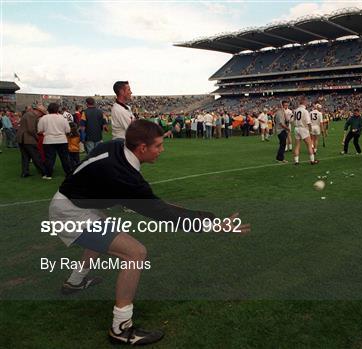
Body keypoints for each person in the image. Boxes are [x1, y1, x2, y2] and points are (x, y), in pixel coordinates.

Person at [48, 119, 250, 345]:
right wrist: (212, 224)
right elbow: (163, 212)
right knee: (135, 253)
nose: (162, 150)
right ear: (142, 148)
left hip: (77, 203)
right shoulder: (125, 179)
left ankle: (75, 282)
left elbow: (104, 174)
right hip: (70, 212)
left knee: (106, 235)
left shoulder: (115, 146)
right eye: (158, 146)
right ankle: (121, 327)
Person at [38, 103, 72, 179]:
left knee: (49, 159)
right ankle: (68, 173)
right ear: (57, 109)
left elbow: (40, 130)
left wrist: (46, 132)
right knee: (65, 158)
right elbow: (68, 130)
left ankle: (48, 174)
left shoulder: (44, 118)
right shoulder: (62, 118)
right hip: (62, 140)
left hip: (49, 140)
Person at [15, 105, 47, 178]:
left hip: (22, 139)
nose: (41, 115)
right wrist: (37, 138)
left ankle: (25, 172)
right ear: (39, 111)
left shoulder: (28, 114)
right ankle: (44, 172)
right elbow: (31, 129)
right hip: (28, 139)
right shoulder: (32, 115)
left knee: (25, 157)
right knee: (36, 156)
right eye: (42, 114)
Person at [292, 96, 318, 165]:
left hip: (296, 128)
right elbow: (308, 122)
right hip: (303, 128)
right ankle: (312, 160)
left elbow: (293, 120)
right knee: (309, 145)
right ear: (304, 102)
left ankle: (296, 161)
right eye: (306, 102)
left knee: (297, 145)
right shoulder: (305, 111)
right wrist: (310, 130)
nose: (307, 103)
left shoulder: (296, 110)